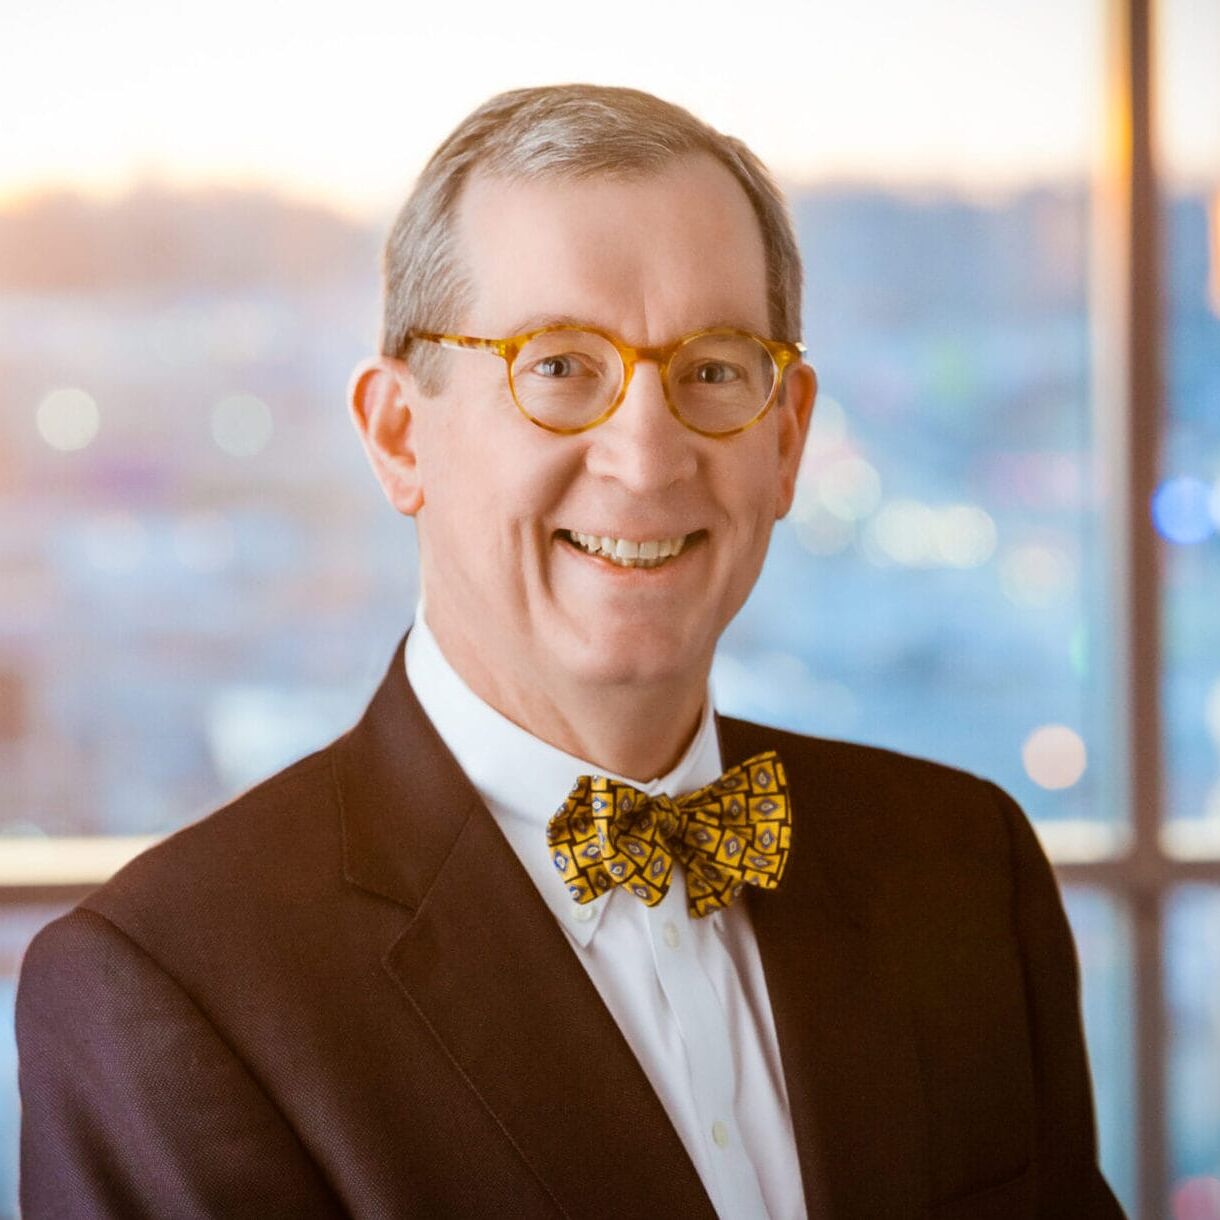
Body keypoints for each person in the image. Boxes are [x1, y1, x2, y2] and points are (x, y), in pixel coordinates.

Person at [16, 84, 1124, 1219]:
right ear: (401, 435)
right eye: (557, 367)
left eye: (712, 370)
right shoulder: (169, 991)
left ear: (785, 439)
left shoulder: (964, 867)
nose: (646, 459)